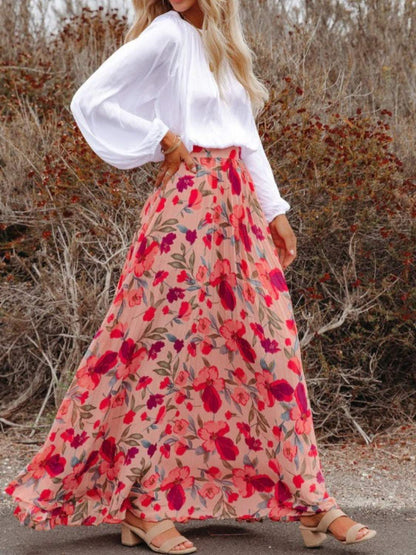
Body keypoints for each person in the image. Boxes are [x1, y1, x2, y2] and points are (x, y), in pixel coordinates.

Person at [5, 1, 377, 553]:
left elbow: (247, 138)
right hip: (184, 210)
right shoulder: (166, 35)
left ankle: (311, 501)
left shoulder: (224, 42)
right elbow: (88, 99)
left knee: (271, 347)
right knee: (164, 352)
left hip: (238, 210)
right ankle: (143, 504)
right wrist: (162, 138)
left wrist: (276, 213)